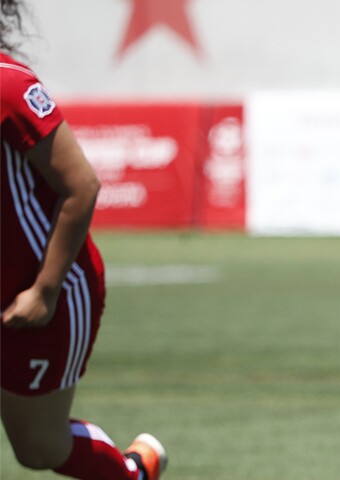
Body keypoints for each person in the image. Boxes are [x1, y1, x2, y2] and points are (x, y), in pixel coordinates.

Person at [0, 1, 167, 478]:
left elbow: (81, 186)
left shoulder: (9, 85)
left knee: (38, 450)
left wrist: (43, 292)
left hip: (40, 296)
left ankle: (135, 471)